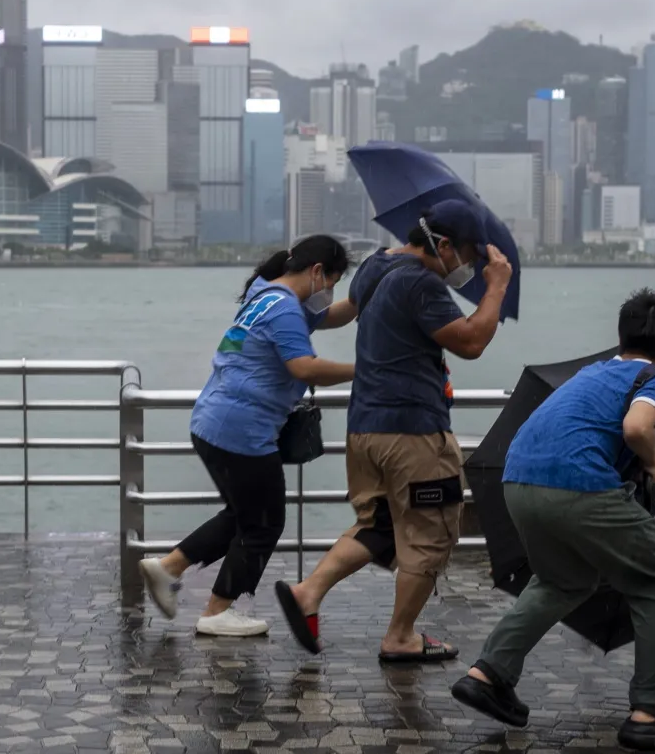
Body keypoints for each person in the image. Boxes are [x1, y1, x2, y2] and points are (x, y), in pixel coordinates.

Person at [449, 289, 655, 750]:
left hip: (519, 479)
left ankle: (488, 673)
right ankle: (651, 709)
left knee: (562, 580)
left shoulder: (595, 372)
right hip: (578, 484)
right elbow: (637, 428)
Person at [272, 199, 511, 662]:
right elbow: (471, 342)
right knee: (432, 532)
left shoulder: (376, 265)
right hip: (413, 432)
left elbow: (349, 311)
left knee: (379, 525)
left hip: (365, 430)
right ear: (442, 245)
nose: (470, 266)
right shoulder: (421, 284)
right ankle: (401, 636)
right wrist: (496, 287)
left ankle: (308, 593)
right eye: (467, 254)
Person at [140, 235, 357, 636]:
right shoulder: (285, 311)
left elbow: (332, 316)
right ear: (315, 273)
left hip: (213, 422)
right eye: (332, 284)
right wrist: (364, 371)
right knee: (264, 523)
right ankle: (218, 611)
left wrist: (364, 295)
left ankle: (168, 568)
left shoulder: (266, 295)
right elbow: (305, 368)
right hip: (243, 430)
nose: (331, 293)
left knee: (242, 515)